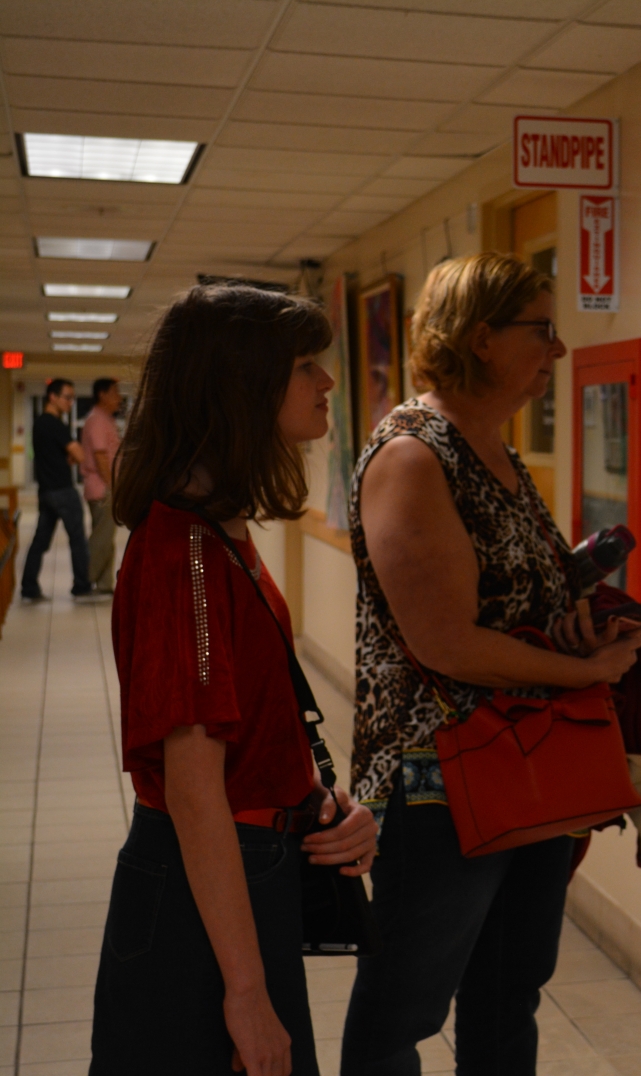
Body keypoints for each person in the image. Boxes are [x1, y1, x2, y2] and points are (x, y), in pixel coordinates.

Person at [341, 252, 641, 1075]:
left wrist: (580, 634)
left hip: (529, 764)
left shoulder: (496, 452)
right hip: (441, 777)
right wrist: (586, 675)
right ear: (480, 337)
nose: (557, 348)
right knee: (405, 1005)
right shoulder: (414, 455)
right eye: (540, 329)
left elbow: (504, 611)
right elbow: (445, 641)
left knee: (509, 993)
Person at [91, 284, 379, 1076]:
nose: (325, 383)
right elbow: (192, 787)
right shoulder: (181, 547)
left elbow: (250, 725)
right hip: (201, 897)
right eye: (303, 366)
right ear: (239, 387)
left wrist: (317, 802)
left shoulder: (218, 531)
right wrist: (246, 992)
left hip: (248, 872)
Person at [19, 378, 93, 601]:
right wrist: (72, 453)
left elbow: (59, 455)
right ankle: (82, 586)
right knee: (78, 540)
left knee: (40, 542)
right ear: (53, 397)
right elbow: (79, 455)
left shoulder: (39, 423)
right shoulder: (55, 424)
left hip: (46, 491)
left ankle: (28, 588)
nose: (71, 402)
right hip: (62, 490)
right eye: (67, 397)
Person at [81, 377, 123, 594]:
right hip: (102, 487)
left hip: (106, 486)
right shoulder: (97, 420)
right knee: (101, 538)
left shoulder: (106, 419)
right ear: (102, 394)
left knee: (107, 538)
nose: (119, 398)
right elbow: (100, 457)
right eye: (114, 392)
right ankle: (85, 579)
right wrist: (111, 486)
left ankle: (105, 583)